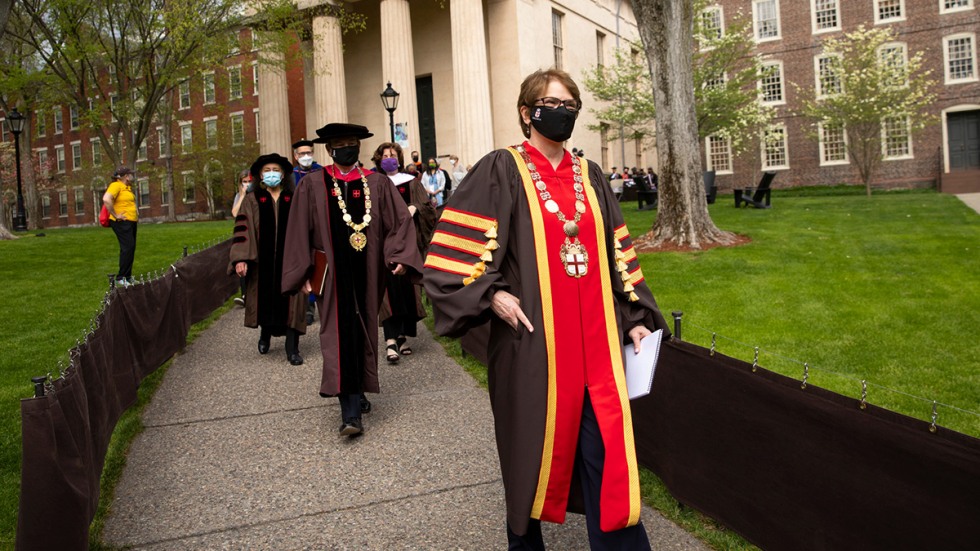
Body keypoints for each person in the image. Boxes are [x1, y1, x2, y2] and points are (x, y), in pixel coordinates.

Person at [423, 69, 670, 549]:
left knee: (610, 457)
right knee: (530, 457)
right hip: (534, 346)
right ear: (527, 112)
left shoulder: (590, 175)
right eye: (551, 102)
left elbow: (618, 254)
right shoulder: (501, 169)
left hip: (598, 349)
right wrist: (491, 292)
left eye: (570, 103)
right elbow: (450, 256)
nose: (562, 111)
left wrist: (636, 319)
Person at [281, 123, 423, 437]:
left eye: (352, 142)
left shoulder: (377, 183)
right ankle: (349, 413)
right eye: (340, 143)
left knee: (363, 328)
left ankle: (358, 389)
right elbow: (297, 231)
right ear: (329, 149)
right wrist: (303, 272)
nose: (347, 148)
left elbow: (399, 221)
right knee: (336, 333)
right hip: (329, 273)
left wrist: (399, 255)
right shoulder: (313, 184)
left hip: (368, 270)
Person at [229, 153, 308, 366]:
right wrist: (240, 259)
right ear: (260, 176)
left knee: (292, 302)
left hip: (291, 261)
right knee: (265, 299)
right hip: (262, 263)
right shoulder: (252, 200)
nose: (271, 174)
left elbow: (306, 229)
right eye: (267, 171)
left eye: (276, 170)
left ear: (283, 175)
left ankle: (292, 349)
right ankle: (265, 334)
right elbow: (242, 230)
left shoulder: (295, 198)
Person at [372, 142, 438, 363]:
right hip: (384, 243)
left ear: (399, 159)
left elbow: (428, 209)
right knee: (387, 290)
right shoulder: (374, 183)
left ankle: (401, 336)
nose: (389, 158)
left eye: (392, 155)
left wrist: (415, 208)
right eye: (385, 155)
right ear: (378, 159)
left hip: (409, 243)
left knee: (405, 289)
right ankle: (390, 340)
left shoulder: (410, 182)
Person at [292, 138, 324, 324]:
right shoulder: (291, 176)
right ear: (296, 156)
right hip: (299, 224)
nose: (306, 156)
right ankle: (307, 307)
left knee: (319, 261)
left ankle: (320, 299)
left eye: (309, 153)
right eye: (302, 154)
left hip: (319, 223)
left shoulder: (320, 171)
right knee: (303, 261)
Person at [102, 166, 139, 287]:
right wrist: (116, 215)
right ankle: (121, 277)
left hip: (130, 222)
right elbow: (106, 199)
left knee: (131, 247)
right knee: (127, 247)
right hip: (121, 222)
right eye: (130, 174)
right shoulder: (116, 185)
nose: (132, 176)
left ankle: (127, 277)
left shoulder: (127, 188)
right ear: (126, 176)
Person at [230, 169, 252, 307]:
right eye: (244, 182)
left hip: (255, 232)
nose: (247, 184)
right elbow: (235, 213)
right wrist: (243, 195)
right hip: (243, 233)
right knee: (242, 261)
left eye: (249, 181)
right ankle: (245, 294)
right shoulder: (239, 196)